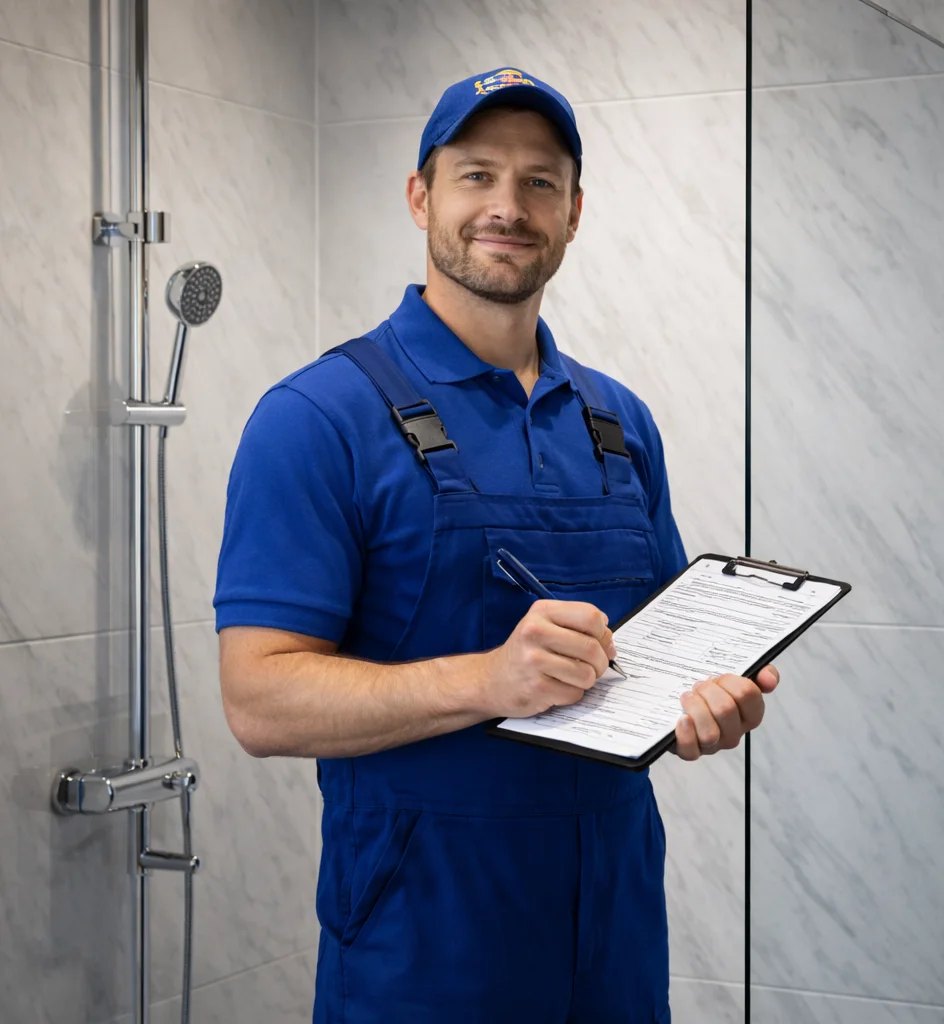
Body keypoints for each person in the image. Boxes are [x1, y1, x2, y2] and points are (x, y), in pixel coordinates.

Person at [214, 65, 781, 1024]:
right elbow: (259, 699)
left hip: (614, 938)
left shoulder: (617, 421)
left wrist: (708, 703)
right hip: (423, 952)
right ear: (420, 196)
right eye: (476, 176)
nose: (507, 207)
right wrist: (487, 681)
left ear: (574, 212)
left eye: (538, 182)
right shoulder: (318, 417)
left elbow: (653, 656)